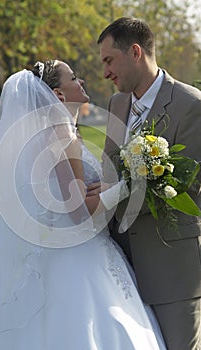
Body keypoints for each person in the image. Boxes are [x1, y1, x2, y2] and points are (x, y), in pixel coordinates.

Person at [0, 59, 167, 349]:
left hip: (56, 253)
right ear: (59, 95)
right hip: (81, 255)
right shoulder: (61, 134)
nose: (83, 82)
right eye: (74, 78)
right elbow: (78, 211)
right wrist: (129, 186)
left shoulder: (41, 136)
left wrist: (104, 189)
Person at [95, 17, 201, 350]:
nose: (105, 72)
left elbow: (190, 188)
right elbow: (110, 171)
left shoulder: (191, 105)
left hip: (172, 272)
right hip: (120, 272)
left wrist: (114, 195)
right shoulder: (116, 104)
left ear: (136, 52)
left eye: (109, 60)